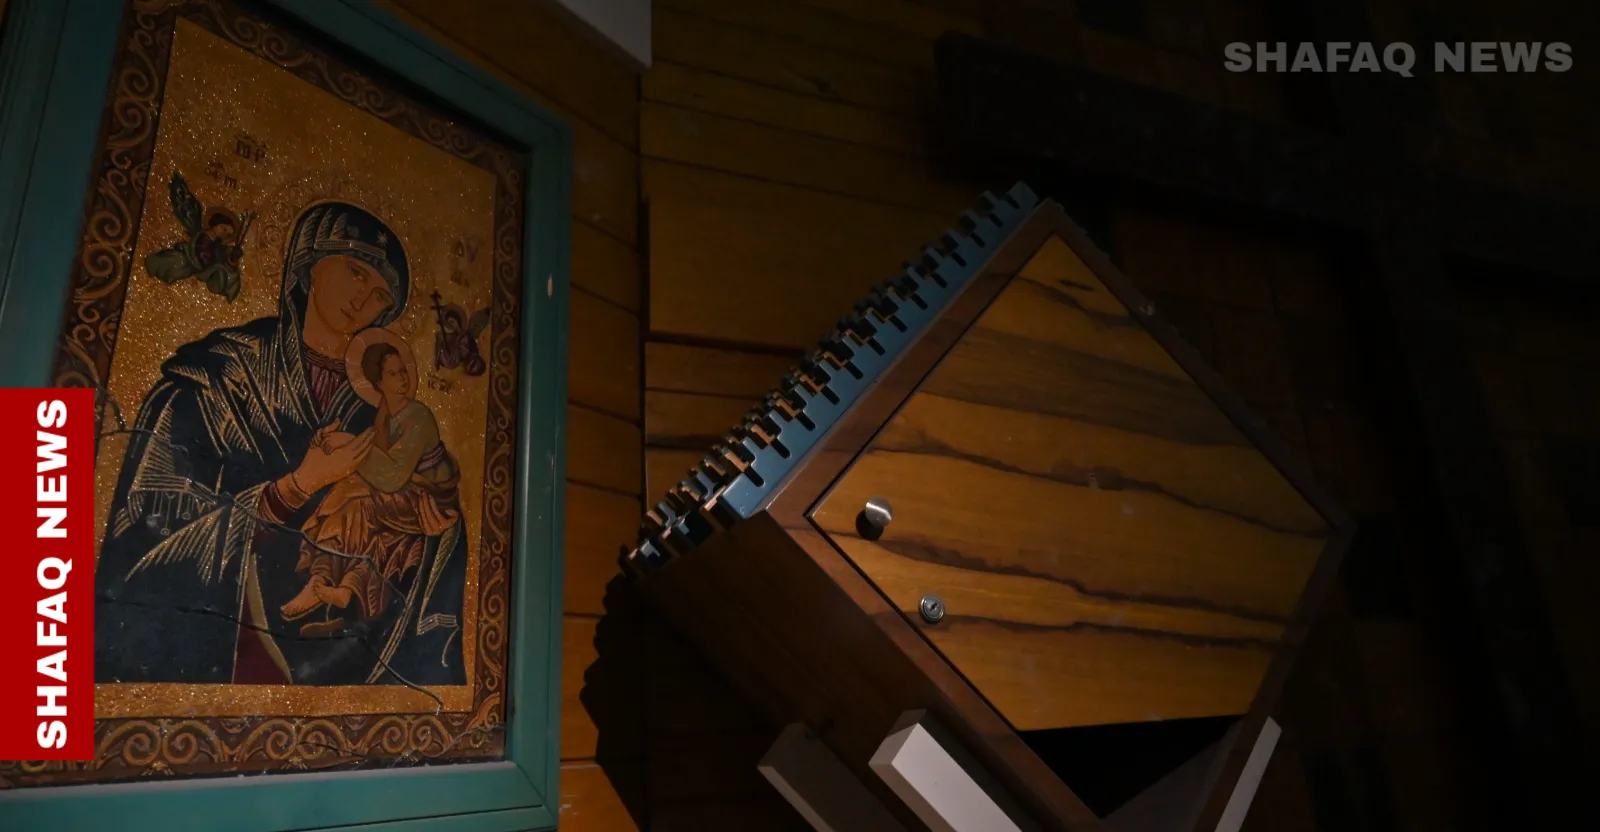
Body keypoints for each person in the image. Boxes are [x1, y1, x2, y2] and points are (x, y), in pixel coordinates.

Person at [94, 201, 468, 687]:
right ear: (308, 267)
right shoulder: (219, 378)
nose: (362, 299)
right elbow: (142, 542)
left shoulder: (380, 410)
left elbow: (427, 514)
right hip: (224, 653)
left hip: (339, 656)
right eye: (354, 272)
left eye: (379, 295)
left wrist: (429, 519)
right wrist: (295, 487)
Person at [281, 332, 461, 635]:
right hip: (404, 497)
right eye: (393, 374)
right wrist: (330, 445)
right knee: (354, 508)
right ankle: (338, 589)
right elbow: (374, 465)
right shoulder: (385, 417)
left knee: (357, 506)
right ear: (378, 383)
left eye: (403, 371)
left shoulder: (418, 416)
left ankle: (322, 582)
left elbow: (392, 477)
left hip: (428, 499)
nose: (402, 379)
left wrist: (347, 443)